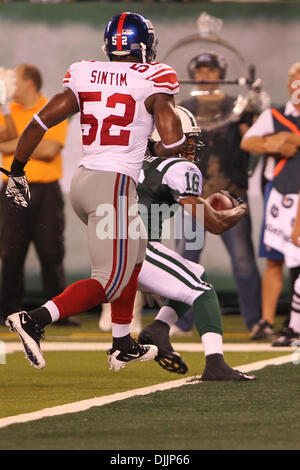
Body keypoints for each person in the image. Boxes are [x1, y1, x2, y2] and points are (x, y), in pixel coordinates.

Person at [4, 12, 186, 372]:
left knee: (134, 257)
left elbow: (42, 120)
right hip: (113, 184)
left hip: (86, 179)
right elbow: (172, 139)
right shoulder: (155, 78)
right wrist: (171, 145)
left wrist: (18, 169)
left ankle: (122, 343)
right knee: (109, 280)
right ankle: (34, 319)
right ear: (145, 44)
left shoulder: (86, 73)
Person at [99, 106, 256, 381]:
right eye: (186, 139)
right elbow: (215, 225)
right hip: (139, 248)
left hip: (115, 244)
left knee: (196, 273)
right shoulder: (179, 167)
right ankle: (215, 363)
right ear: (166, 139)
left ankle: (159, 328)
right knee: (202, 289)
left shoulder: (136, 163)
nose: (192, 146)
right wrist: (240, 210)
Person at [171, 52, 262, 336]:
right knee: (185, 262)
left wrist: (254, 104)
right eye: (200, 70)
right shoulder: (183, 108)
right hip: (192, 198)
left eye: (211, 70)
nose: (204, 75)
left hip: (230, 196)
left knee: (244, 263)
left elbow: (253, 137)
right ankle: (181, 322)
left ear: (221, 73)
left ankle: (256, 322)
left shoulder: (237, 106)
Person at [0, 64, 73, 326]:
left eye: (15, 81)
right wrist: (28, 138)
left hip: (46, 188)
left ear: (29, 83)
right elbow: (4, 140)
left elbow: (49, 149)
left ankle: (57, 313)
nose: (11, 85)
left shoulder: (52, 107)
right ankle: (8, 312)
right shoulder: (9, 112)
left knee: (51, 252)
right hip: (13, 186)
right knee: (10, 252)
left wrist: (15, 144)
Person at [241, 62, 300, 345]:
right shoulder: (274, 115)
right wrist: (273, 145)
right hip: (278, 194)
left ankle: (294, 323)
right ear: (290, 85)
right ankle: (266, 321)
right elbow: (248, 142)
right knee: (274, 258)